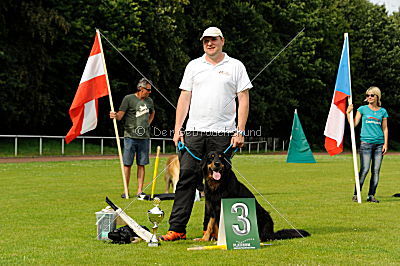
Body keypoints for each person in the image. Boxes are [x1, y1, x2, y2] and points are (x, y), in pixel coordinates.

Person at [160, 27, 252, 241]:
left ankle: (209, 231)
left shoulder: (236, 66)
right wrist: (177, 129)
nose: (209, 43)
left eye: (213, 40)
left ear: (222, 41)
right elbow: (184, 98)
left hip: (223, 134)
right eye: (206, 41)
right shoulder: (194, 66)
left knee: (217, 182)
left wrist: (240, 131)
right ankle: (177, 229)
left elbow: (244, 99)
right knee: (186, 179)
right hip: (193, 132)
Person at [110, 78, 155, 198]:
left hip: (144, 137)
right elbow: (120, 116)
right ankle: (126, 190)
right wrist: (114, 115)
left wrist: (147, 124)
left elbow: (152, 113)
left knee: (142, 164)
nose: (149, 92)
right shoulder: (128, 99)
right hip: (130, 136)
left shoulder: (149, 101)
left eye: (150, 90)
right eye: (148, 90)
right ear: (140, 88)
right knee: (127, 164)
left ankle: (140, 191)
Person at [346, 86, 388, 203]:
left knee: (376, 171)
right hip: (366, 144)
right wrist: (348, 113)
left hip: (379, 144)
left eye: (371, 95)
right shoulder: (362, 109)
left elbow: (385, 129)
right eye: (367, 95)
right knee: (364, 170)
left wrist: (385, 144)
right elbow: (353, 125)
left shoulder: (382, 111)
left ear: (377, 97)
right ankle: (356, 194)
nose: (369, 97)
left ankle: (371, 195)